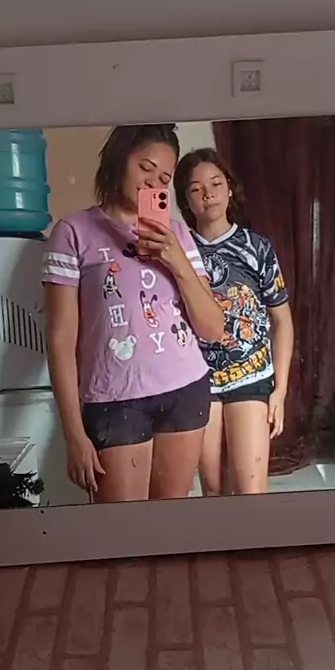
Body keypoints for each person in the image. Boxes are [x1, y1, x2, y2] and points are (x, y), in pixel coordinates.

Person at [42, 125, 224, 503]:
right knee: (120, 531)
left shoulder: (177, 234)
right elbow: (60, 341)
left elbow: (212, 328)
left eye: (164, 179)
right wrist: (73, 434)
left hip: (185, 390)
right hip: (113, 400)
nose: (153, 183)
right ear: (118, 159)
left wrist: (175, 259)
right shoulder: (73, 232)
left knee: (168, 525)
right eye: (145, 168)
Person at [174, 147, 294, 495]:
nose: (208, 194)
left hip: (252, 376)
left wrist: (280, 391)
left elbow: (282, 322)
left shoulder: (257, 248)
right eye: (195, 188)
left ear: (229, 187)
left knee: (251, 490)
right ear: (185, 199)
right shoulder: (177, 249)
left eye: (215, 183)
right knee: (213, 490)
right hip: (199, 381)